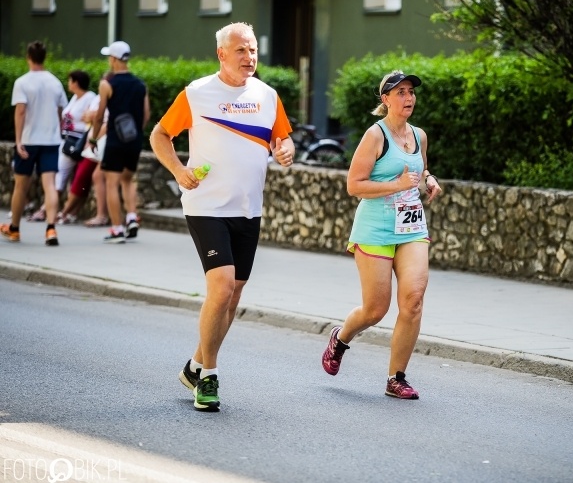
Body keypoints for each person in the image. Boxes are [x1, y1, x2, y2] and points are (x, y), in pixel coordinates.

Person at [149, 22, 295, 412]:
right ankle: (209, 377)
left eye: (253, 50)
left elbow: (283, 138)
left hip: (248, 207)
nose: (250, 58)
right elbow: (159, 135)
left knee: (233, 295)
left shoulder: (267, 96)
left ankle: (195, 364)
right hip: (207, 206)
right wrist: (179, 171)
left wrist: (285, 150)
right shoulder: (197, 94)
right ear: (222, 54)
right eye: (241, 51)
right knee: (222, 284)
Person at [321, 70, 442, 400]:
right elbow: (354, 185)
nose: (408, 98)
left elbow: (419, 169)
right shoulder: (375, 136)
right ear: (385, 100)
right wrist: (396, 186)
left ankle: (396, 377)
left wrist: (427, 179)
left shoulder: (419, 136)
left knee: (414, 301)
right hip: (375, 228)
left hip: (411, 227)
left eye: (411, 92)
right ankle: (341, 337)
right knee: (375, 310)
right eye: (400, 92)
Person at [1, 40, 68, 246]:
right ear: (44, 58)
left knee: (21, 186)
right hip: (50, 140)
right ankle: (50, 229)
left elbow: (20, 111)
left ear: (28, 58)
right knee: (49, 185)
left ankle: (14, 228)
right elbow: (61, 112)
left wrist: (19, 140)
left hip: (29, 140)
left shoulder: (22, 82)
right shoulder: (55, 82)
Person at [89, 40, 150, 243]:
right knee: (128, 179)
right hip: (134, 140)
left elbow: (99, 116)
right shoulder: (140, 85)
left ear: (114, 59)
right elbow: (146, 115)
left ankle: (117, 228)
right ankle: (132, 216)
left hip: (115, 139)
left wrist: (93, 137)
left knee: (112, 183)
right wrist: (136, 134)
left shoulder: (107, 84)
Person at [28, 70, 97, 223]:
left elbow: (90, 116)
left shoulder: (89, 97)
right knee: (66, 178)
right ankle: (63, 211)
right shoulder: (74, 98)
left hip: (76, 142)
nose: (68, 84)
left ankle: (45, 210)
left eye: (70, 81)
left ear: (76, 83)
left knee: (60, 176)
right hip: (65, 141)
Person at [59, 73, 112, 225]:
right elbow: (86, 117)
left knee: (84, 175)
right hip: (93, 140)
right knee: (85, 177)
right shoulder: (97, 98)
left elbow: (100, 119)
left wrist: (93, 137)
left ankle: (67, 212)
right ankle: (70, 212)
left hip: (99, 142)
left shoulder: (106, 98)